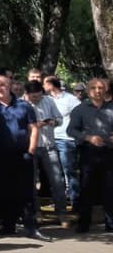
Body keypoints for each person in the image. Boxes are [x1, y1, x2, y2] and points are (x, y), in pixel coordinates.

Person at [0, 74, 47, 241]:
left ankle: (31, 228)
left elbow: (34, 128)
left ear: (10, 86)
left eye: (3, 85)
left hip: (22, 155)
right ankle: (8, 226)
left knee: (27, 193)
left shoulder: (24, 106)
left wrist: (31, 150)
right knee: (4, 192)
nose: (0, 88)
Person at [67, 78, 113, 234]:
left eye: (101, 87)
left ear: (105, 89)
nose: (98, 90)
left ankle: (110, 223)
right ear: (88, 90)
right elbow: (71, 130)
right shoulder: (80, 109)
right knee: (87, 188)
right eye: (94, 87)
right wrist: (88, 137)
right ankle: (84, 223)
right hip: (88, 153)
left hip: (109, 153)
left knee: (110, 188)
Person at [24, 80, 68, 226]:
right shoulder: (21, 104)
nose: (36, 99)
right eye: (33, 96)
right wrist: (35, 126)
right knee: (30, 181)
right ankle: (36, 212)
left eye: (38, 96)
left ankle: (62, 213)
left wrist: (53, 122)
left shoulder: (48, 101)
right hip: (30, 147)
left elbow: (60, 119)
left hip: (49, 145)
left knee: (57, 181)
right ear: (27, 94)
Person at [46, 76, 82, 211]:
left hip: (66, 139)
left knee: (69, 171)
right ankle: (58, 203)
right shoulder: (46, 99)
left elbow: (80, 116)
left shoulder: (71, 99)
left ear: (51, 85)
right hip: (49, 139)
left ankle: (75, 202)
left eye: (45, 83)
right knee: (54, 173)